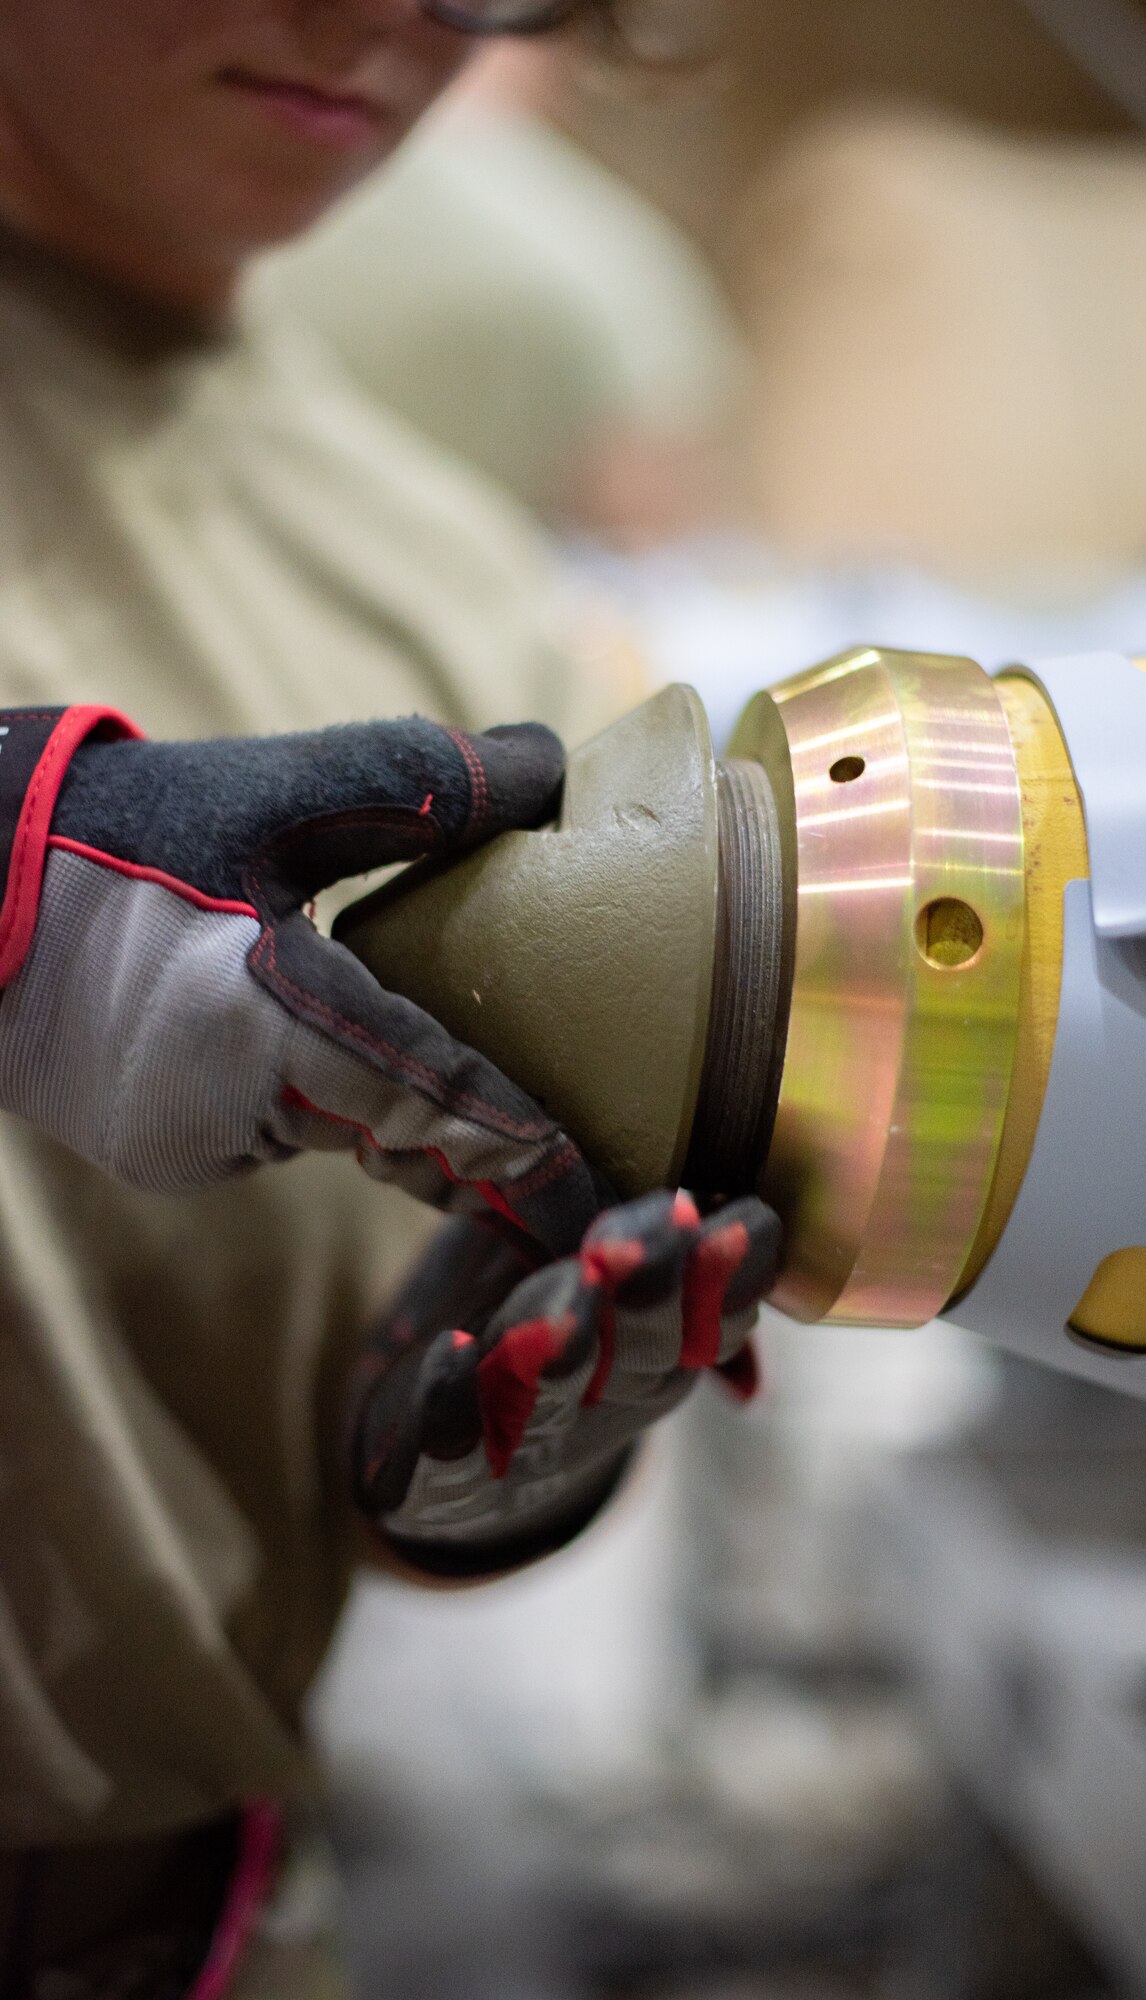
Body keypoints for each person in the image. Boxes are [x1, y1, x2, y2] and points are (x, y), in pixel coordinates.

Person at [0, 3, 779, 1992]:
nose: (379, 22)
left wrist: (484, 1448)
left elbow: (412, 1361)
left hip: (192, 1911)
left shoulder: (443, 582)